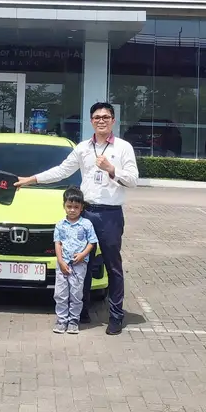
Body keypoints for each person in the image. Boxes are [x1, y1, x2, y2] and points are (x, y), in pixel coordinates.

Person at [16, 101, 138, 335]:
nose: (101, 121)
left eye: (106, 117)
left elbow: (133, 179)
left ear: (113, 121)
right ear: (91, 121)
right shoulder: (83, 148)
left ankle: (116, 316)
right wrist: (32, 179)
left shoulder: (123, 148)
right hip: (86, 213)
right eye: (97, 117)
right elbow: (62, 170)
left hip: (110, 214)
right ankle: (81, 312)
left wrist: (112, 169)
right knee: (83, 265)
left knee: (113, 266)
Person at [53, 186, 98, 335]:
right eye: (69, 206)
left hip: (79, 265)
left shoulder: (86, 224)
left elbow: (92, 242)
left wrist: (82, 255)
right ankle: (61, 320)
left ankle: (73, 321)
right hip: (63, 265)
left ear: (81, 207)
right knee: (60, 293)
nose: (72, 210)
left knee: (76, 294)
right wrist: (60, 261)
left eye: (76, 207)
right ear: (64, 206)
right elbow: (58, 243)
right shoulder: (60, 225)